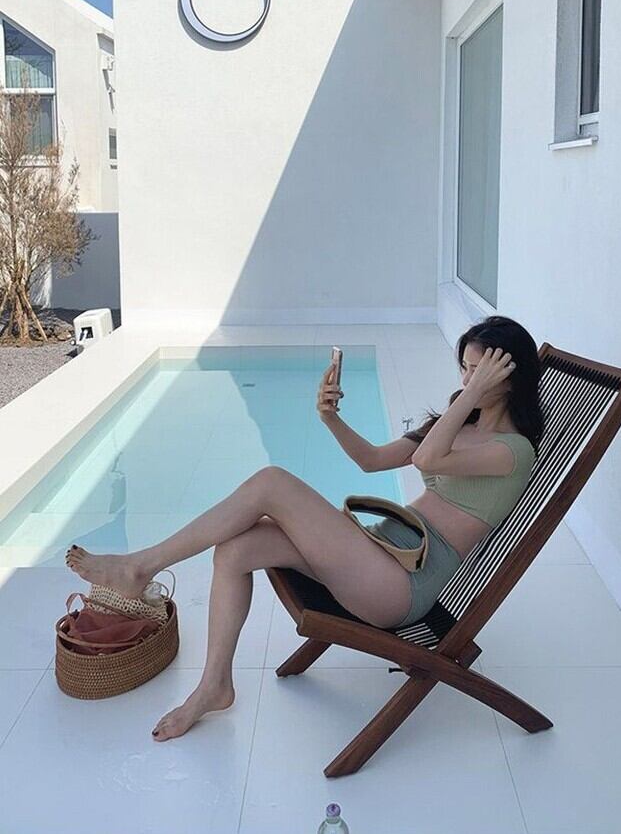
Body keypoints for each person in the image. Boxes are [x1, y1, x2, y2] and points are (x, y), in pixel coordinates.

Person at [65, 314, 544, 742]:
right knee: (236, 549)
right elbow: (371, 459)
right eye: (464, 368)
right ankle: (214, 685)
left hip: (400, 587)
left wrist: (469, 398)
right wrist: (329, 417)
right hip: (378, 554)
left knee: (272, 483)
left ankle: (139, 567)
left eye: (478, 370)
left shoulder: (513, 451)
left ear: (508, 375)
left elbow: (427, 459)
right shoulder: (460, 424)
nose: (467, 379)